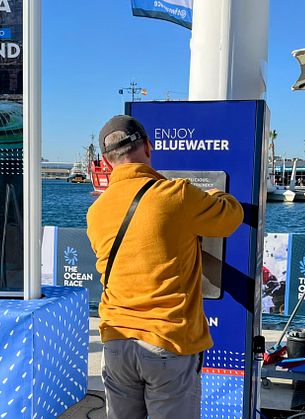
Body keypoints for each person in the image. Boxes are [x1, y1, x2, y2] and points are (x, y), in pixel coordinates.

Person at [86, 115, 244, 418]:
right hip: (166, 340)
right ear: (148, 146)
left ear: (106, 162)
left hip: (116, 341)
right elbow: (231, 217)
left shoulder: (96, 212)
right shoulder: (177, 195)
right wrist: (214, 195)